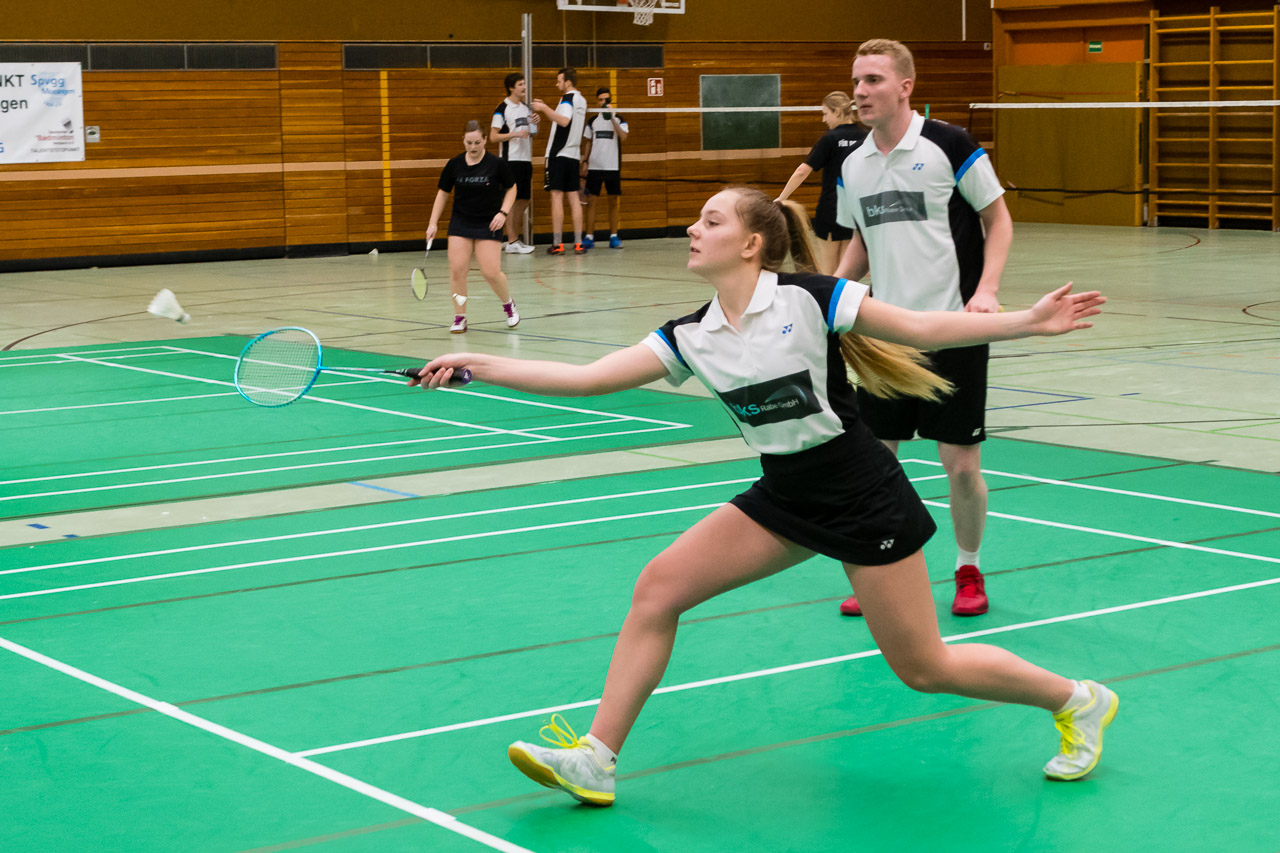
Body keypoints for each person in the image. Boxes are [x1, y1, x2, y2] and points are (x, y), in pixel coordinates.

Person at [410, 185, 1116, 807]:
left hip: (861, 494)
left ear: (751, 244)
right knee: (658, 589)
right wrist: (478, 363)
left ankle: (1077, 699)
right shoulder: (693, 334)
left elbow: (923, 327)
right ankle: (596, 758)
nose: (694, 229)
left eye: (711, 221)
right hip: (785, 492)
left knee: (925, 668)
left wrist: (1027, 320)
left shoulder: (811, 297)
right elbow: (589, 378)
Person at [833, 39, 1014, 619]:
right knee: (875, 460)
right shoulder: (853, 164)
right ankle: (880, 566)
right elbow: (861, 240)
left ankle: (968, 568)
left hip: (954, 327)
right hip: (886, 335)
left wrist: (986, 290)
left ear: (905, 87)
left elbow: (998, 219)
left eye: (873, 80)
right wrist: (830, 293)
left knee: (960, 465)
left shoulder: (950, 144)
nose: (861, 92)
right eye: (857, 81)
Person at [425, 120, 521, 334]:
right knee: (457, 271)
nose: (473, 147)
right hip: (461, 222)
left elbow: (512, 189)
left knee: (491, 272)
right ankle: (460, 317)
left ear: (485, 140)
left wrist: (503, 213)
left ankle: (508, 304)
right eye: (469, 143)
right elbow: (443, 193)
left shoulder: (497, 164)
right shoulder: (454, 164)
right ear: (463, 140)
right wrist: (433, 223)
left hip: (490, 222)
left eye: (477, 142)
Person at [776, 91, 866, 275]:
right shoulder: (866, 137)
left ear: (837, 112)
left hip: (831, 211)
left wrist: (781, 198)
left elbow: (802, 171)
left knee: (827, 274)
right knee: (847, 274)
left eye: (826, 114)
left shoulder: (829, 139)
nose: (824, 119)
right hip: (856, 212)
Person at [531, 67, 589, 255]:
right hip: (573, 155)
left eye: (559, 81)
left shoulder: (567, 99)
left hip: (558, 154)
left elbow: (564, 121)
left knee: (556, 196)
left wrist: (544, 108)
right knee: (573, 197)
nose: (557, 85)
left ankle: (558, 244)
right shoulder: (582, 100)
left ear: (568, 82)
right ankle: (578, 243)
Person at [490, 72, 539, 254]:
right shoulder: (502, 108)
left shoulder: (526, 108)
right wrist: (514, 134)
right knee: (512, 200)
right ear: (511, 88)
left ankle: (514, 238)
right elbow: (493, 136)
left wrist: (535, 124)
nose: (524, 87)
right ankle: (512, 241)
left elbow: (532, 133)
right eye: (520, 84)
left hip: (525, 159)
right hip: (510, 160)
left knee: (524, 199)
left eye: (524, 83)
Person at [581, 86, 629, 250]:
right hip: (594, 167)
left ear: (610, 101)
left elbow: (623, 136)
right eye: (601, 100)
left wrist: (612, 118)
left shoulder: (619, 118)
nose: (603, 102)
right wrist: (585, 161)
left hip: (612, 166)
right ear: (597, 101)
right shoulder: (592, 121)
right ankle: (589, 237)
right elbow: (588, 141)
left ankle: (614, 236)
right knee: (591, 201)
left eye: (606, 100)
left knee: (613, 201)